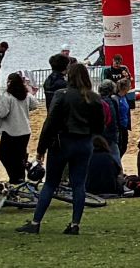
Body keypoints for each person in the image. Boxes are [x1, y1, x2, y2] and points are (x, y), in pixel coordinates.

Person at [20, 67, 103, 235]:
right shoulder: (93, 98)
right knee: (78, 184)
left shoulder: (62, 95)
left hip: (62, 142)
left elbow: (50, 123)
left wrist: (41, 148)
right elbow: (99, 125)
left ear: (69, 77)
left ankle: (36, 222)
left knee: (51, 183)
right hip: (84, 143)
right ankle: (75, 224)